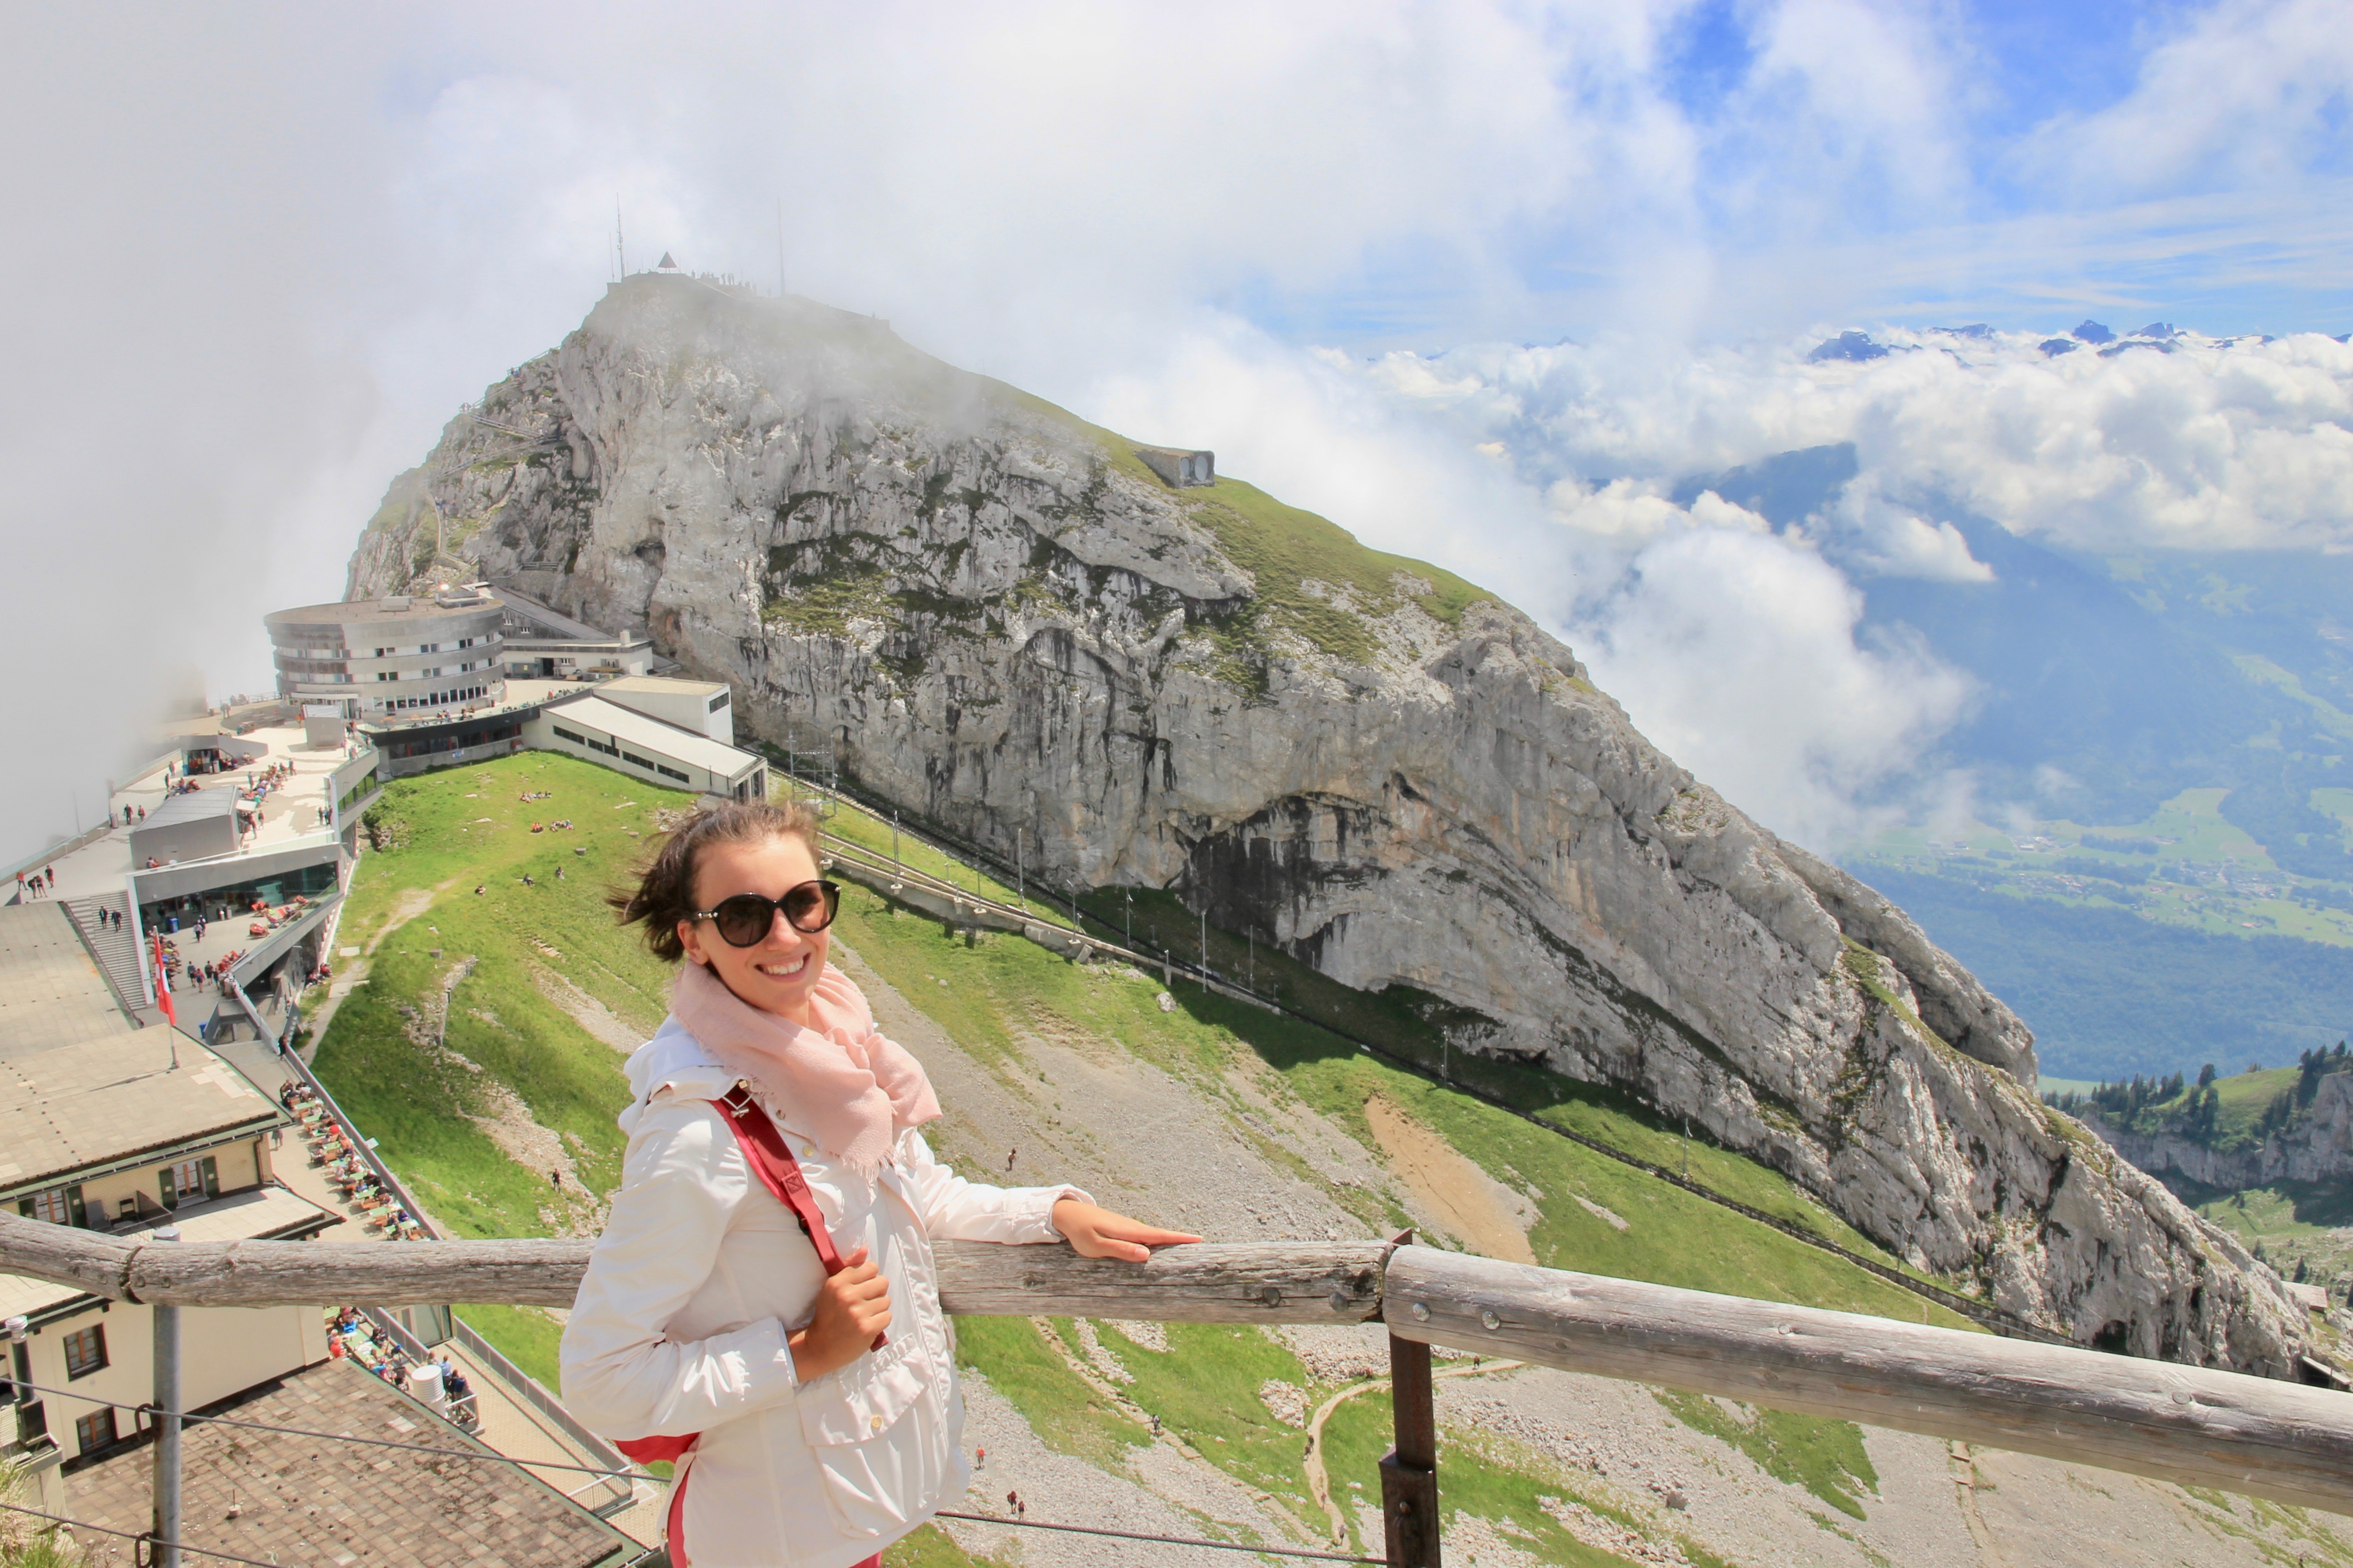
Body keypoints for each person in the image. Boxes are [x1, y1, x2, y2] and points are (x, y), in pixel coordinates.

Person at [561, 799, 1197, 1568]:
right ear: (693, 938)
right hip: (771, 1541)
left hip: (840, 1521)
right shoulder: (694, 1133)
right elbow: (600, 1380)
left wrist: (1054, 1210)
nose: (787, 936)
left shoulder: (831, 1045)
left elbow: (915, 1190)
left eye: (803, 902)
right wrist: (800, 1352)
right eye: (743, 916)